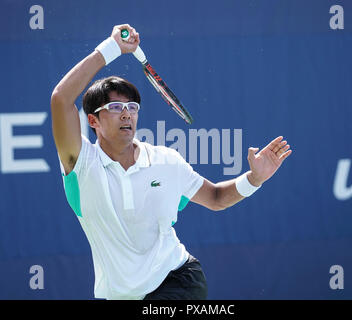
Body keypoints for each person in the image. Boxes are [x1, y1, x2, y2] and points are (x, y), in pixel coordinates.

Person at [50, 24, 292, 300]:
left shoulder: (166, 160)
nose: (127, 115)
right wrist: (112, 48)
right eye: (115, 108)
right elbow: (61, 99)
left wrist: (254, 179)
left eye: (132, 108)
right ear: (92, 120)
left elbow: (215, 197)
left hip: (178, 281)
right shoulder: (81, 164)